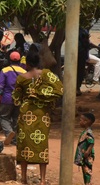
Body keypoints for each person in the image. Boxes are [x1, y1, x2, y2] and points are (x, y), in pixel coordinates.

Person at [13, 48, 63, 184]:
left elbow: (16, 98)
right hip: (43, 115)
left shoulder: (21, 78)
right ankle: (43, 180)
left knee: (24, 145)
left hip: (26, 114)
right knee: (42, 145)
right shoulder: (47, 74)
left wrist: (32, 95)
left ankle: (23, 178)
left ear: (27, 64)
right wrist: (43, 96)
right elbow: (60, 90)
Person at [0, 50, 26, 153]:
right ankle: (14, 140)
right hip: (19, 99)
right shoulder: (24, 72)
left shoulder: (5, 70)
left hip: (7, 98)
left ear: (9, 60)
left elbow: (0, 86)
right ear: (19, 61)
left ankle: (9, 132)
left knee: (4, 117)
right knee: (16, 118)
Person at [74, 111, 96, 184]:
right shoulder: (85, 131)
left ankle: (88, 183)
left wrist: (87, 151)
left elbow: (91, 142)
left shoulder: (88, 132)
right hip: (84, 155)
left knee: (87, 171)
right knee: (85, 170)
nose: (79, 122)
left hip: (87, 155)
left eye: (81, 120)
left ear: (86, 121)